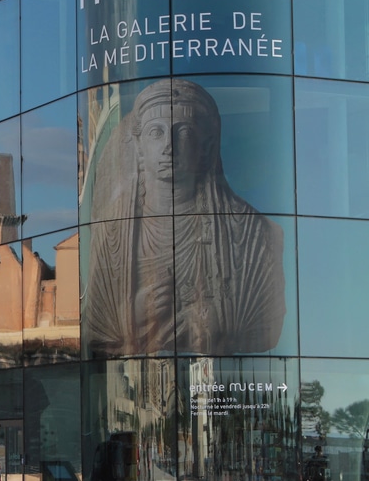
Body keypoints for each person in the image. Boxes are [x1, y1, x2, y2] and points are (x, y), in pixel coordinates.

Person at [84, 78, 285, 356]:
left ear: (205, 147)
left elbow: (266, 327)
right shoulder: (115, 231)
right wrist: (133, 313)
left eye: (184, 133)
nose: (170, 146)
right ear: (140, 147)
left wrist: (218, 323)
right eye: (156, 132)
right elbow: (95, 332)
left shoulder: (247, 230)